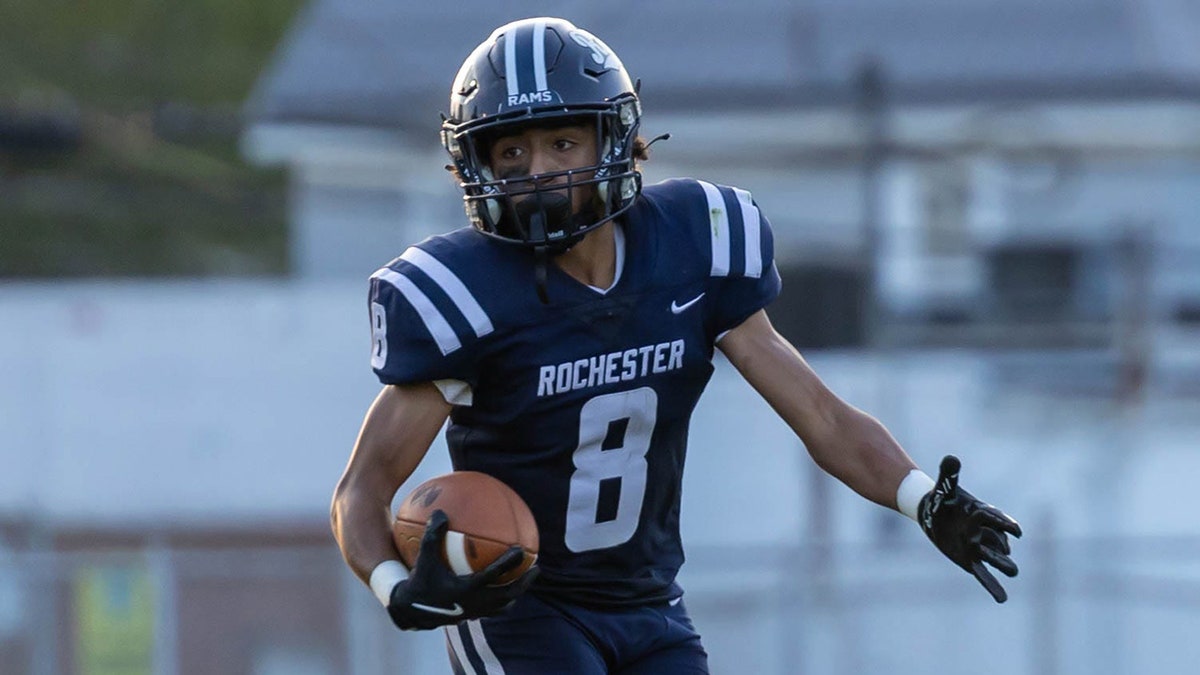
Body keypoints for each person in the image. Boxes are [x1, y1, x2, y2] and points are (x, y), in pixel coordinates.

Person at [331, 16, 1022, 675]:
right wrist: (394, 584)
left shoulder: (695, 243)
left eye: (561, 144)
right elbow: (362, 489)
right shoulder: (466, 293)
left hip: (649, 602)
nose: (536, 170)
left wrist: (921, 496)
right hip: (522, 606)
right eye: (512, 151)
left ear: (616, 143)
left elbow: (821, 414)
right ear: (475, 165)